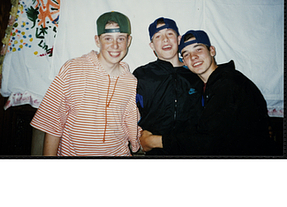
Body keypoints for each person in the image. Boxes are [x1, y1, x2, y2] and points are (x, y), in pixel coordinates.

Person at [140, 29, 276, 156]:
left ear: (212, 50)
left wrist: (155, 141)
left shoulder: (229, 83)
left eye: (198, 49)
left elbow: (209, 141)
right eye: (186, 54)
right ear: (184, 62)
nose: (193, 57)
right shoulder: (209, 85)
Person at [30, 11, 141, 156]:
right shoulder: (72, 69)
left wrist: (139, 141)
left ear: (129, 41)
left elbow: (130, 122)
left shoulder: (131, 81)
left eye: (121, 38)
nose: (115, 45)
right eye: (108, 38)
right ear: (97, 40)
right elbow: (53, 121)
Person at [133, 18, 202, 155]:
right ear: (152, 45)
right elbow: (130, 112)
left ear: (178, 38)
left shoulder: (197, 74)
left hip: (192, 151)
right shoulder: (142, 75)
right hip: (155, 153)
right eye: (158, 36)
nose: (165, 39)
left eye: (170, 34)